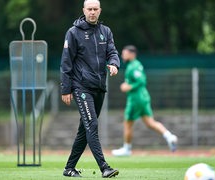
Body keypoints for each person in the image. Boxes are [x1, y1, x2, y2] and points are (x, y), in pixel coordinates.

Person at [60, 0, 120, 178]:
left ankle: (69, 168)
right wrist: (65, 89)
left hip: (99, 87)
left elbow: (113, 52)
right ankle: (104, 167)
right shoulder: (73, 33)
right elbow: (66, 63)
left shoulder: (106, 31)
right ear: (83, 10)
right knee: (92, 125)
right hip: (81, 87)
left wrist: (114, 64)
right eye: (89, 9)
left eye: (95, 9)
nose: (92, 12)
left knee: (84, 129)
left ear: (100, 11)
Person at [112, 45, 178, 157]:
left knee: (127, 123)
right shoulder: (136, 65)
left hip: (136, 99)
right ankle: (169, 136)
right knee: (150, 123)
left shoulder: (133, 66)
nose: (122, 55)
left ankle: (127, 149)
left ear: (132, 54)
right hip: (143, 97)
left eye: (125, 53)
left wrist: (129, 86)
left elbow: (141, 80)